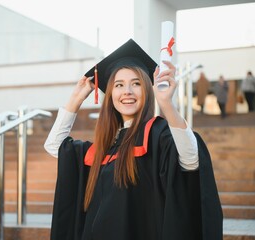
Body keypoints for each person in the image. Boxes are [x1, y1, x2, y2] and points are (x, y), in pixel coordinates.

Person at [44, 39, 223, 240]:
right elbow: (54, 146)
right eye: (119, 85)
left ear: (147, 90)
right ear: (111, 94)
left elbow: (192, 160)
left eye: (136, 83)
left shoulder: (156, 135)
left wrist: (167, 105)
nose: (127, 91)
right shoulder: (104, 147)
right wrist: (76, 99)